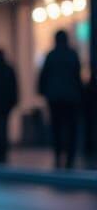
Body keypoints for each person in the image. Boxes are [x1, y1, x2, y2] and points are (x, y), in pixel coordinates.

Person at [38, 30, 83, 169]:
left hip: (55, 97)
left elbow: (43, 76)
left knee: (56, 127)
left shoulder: (51, 56)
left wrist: (42, 91)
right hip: (70, 97)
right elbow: (77, 76)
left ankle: (58, 155)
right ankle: (70, 157)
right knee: (71, 128)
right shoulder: (72, 55)